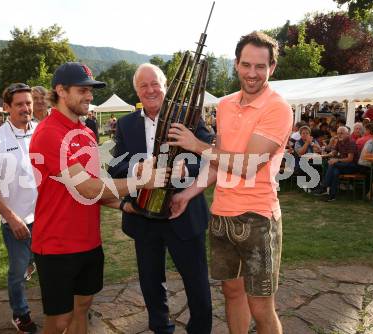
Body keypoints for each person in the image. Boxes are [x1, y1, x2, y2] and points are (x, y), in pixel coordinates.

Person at [167, 31, 293, 334]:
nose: (252, 73)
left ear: (271, 68)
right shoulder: (224, 105)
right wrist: (188, 193)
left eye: (260, 67)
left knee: (261, 307)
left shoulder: (278, 108)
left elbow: (247, 166)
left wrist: (197, 145)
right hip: (222, 215)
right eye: (246, 65)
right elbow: (218, 162)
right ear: (236, 64)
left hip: (258, 218)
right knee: (231, 294)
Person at [29, 62, 167, 334]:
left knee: (83, 308)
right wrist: (140, 182)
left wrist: (126, 205)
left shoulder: (86, 132)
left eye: (91, 91)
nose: (90, 97)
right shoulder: (49, 133)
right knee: (59, 320)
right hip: (56, 243)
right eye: (82, 90)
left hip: (89, 239)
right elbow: (88, 188)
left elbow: (99, 189)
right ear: (61, 90)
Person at [108, 63, 214, 334]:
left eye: (155, 83)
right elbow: (116, 166)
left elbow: (209, 155)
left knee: (197, 282)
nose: (150, 90)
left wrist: (186, 168)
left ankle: (199, 330)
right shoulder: (126, 124)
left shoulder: (188, 116)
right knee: (151, 281)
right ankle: (161, 328)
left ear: (165, 86)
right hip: (144, 215)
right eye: (143, 85)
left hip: (184, 212)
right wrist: (137, 169)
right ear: (136, 91)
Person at [0, 83, 39, 333]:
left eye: (29, 103)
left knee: (54, 267)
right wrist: (11, 217)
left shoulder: (40, 130)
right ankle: (21, 314)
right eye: (19, 104)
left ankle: (66, 310)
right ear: (6, 107)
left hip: (47, 218)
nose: (26, 108)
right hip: (17, 222)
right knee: (17, 273)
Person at [313, 126, 359, 201]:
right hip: (342, 166)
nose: (339, 135)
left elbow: (350, 159)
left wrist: (336, 160)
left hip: (352, 166)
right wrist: (324, 155)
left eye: (341, 133)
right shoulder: (339, 141)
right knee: (335, 172)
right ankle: (332, 196)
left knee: (333, 164)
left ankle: (324, 187)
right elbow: (334, 152)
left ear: (347, 134)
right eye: (338, 133)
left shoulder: (351, 142)